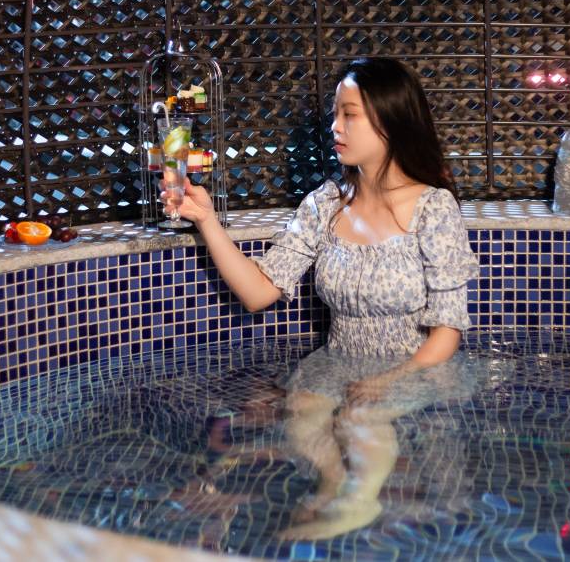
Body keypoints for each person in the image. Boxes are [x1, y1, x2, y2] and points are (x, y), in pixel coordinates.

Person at [159, 57, 480, 541]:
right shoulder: (325, 204)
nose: (335, 127)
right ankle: (331, 485)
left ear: (390, 121)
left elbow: (447, 334)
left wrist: (389, 380)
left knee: (360, 413)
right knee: (304, 407)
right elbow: (257, 292)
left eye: (349, 114)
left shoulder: (434, 208)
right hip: (338, 358)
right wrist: (206, 220)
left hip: (417, 365)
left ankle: (359, 502)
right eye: (336, 114)